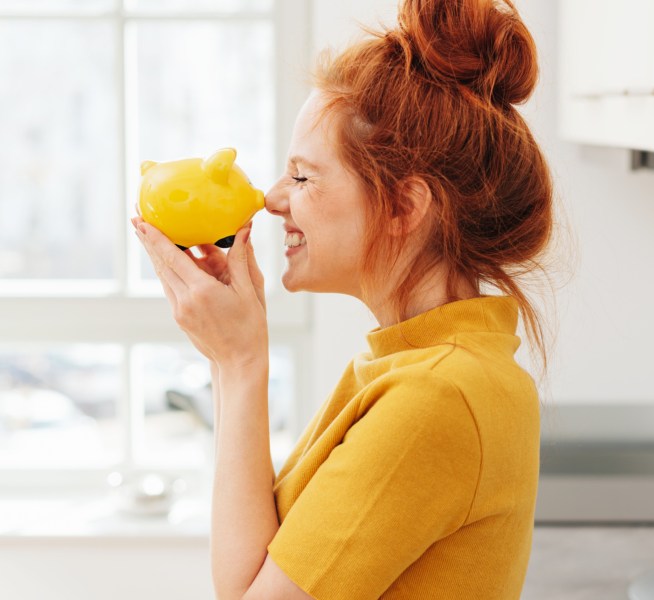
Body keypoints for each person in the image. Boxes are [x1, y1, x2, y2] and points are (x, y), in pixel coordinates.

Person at [132, 0, 556, 597]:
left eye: (303, 177)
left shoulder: (436, 396)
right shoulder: (418, 368)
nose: (273, 200)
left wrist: (239, 361)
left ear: (405, 207)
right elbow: (254, 570)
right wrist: (231, 359)